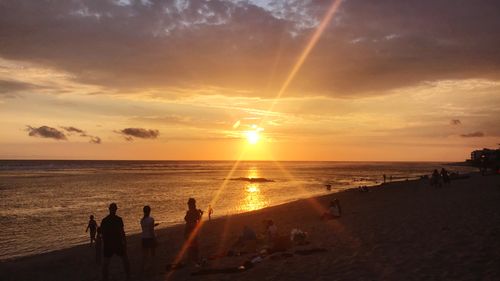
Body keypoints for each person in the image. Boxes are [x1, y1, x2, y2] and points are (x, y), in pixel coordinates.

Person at [101, 203, 130, 281]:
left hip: (109, 245)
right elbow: (122, 232)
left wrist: (103, 244)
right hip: (118, 243)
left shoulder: (105, 220)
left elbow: (102, 234)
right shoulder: (118, 219)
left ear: (109, 209)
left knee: (106, 263)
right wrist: (125, 242)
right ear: (115, 210)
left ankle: (105, 278)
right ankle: (128, 277)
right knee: (125, 260)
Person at [184, 198, 203, 266]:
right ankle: (193, 258)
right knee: (192, 243)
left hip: (190, 229)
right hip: (191, 229)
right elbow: (199, 219)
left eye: (189, 204)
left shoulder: (192, 211)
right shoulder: (193, 211)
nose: (188, 205)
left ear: (192, 204)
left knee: (192, 244)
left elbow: (186, 219)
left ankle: (193, 258)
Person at [140, 205, 159, 272]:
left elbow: (146, 228)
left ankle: (143, 267)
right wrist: (155, 239)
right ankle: (152, 266)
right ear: (149, 211)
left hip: (144, 238)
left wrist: (153, 225)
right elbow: (151, 230)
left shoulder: (142, 220)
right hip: (150, 238)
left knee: (145, 254)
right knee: (152, 253)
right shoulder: (151, 219)